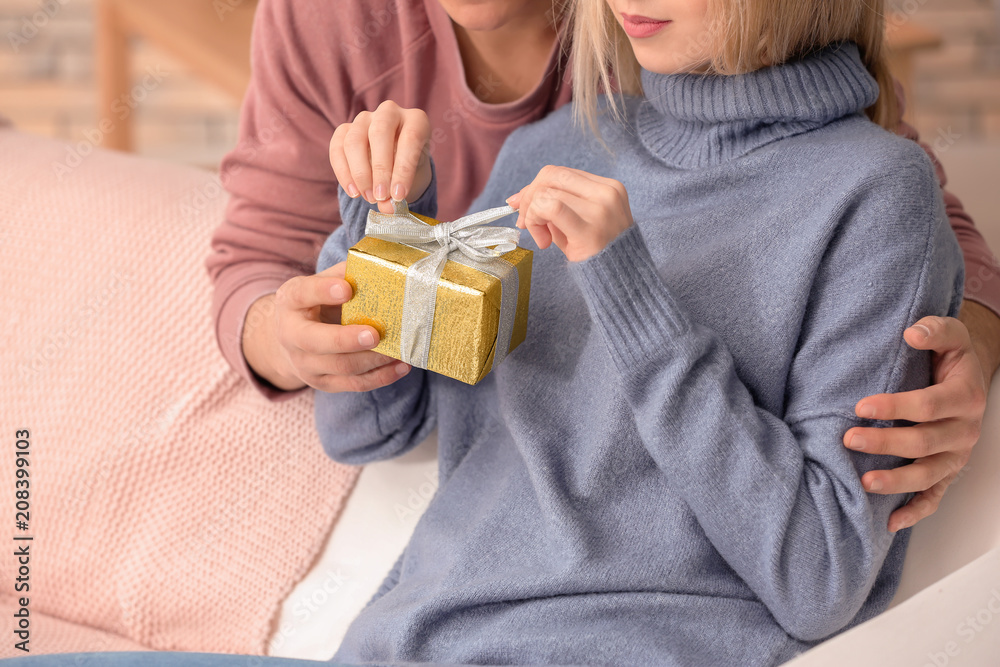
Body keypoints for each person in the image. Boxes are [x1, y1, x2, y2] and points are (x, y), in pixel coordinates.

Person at [308, 0, 965, 662]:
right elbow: (368, 428)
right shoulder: (552, 148)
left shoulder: (875, 194)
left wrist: (628, 290)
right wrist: (387, 228)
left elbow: (820, 575)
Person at [207, 0, 1000, 535]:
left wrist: (961, 349)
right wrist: (292, 332)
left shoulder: (680, 33)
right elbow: (264, 254)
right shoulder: (335, 25)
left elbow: (897, 198)